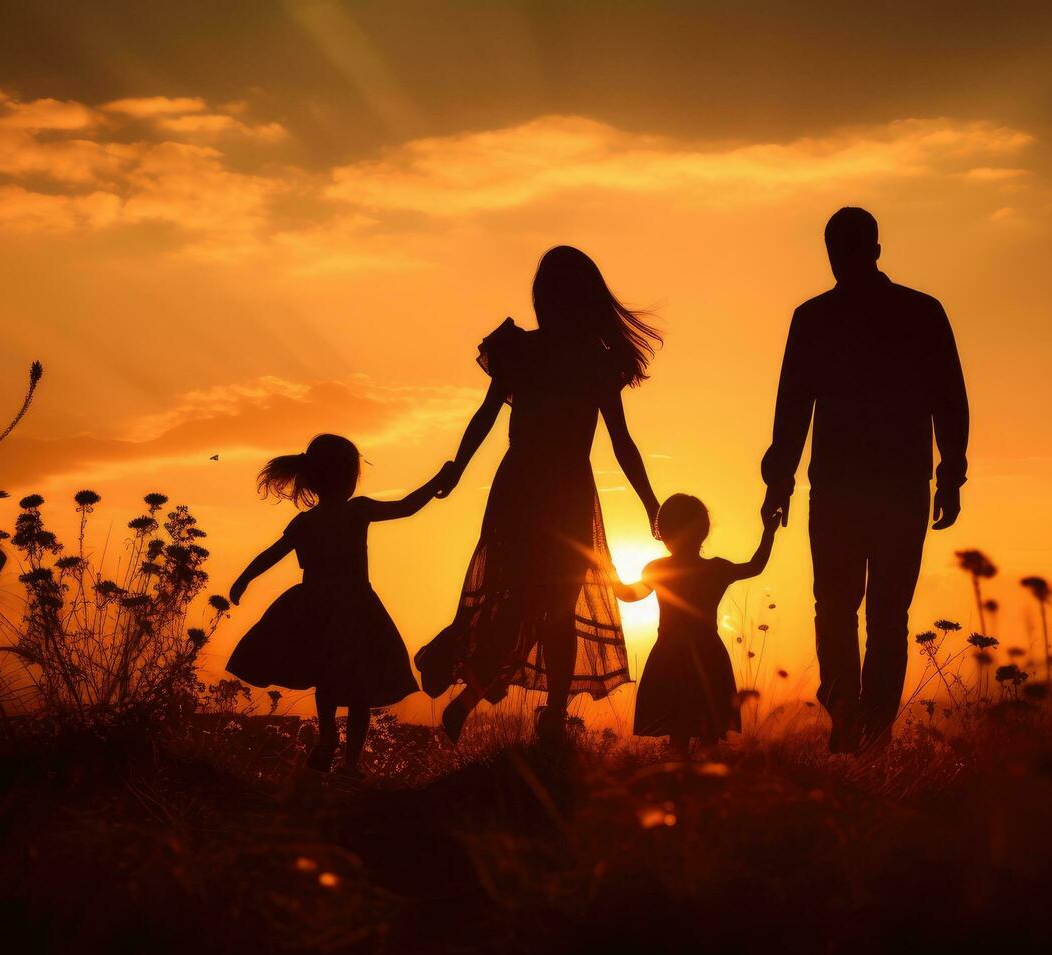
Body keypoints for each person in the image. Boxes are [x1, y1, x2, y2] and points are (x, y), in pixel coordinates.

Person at [418, 245, 662, 744]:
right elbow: (620, 443)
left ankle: (474, 684)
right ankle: (546, 712)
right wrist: (649, 501)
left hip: (524, 487)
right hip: (563, 492)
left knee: (518, 603)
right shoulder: (589, 361)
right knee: (555, 609)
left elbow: (486, 417)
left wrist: (458, 468)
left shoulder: (527, 351)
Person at [760, 207, 969, 753]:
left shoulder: (816, 318)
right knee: (878, 614)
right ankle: (865, 724)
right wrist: (950, 473)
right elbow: (951, 400)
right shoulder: (919, 312)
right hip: (889, 487)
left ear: (867, 250)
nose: (840, 261)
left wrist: (778, 482)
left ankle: (856, 720)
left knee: (841, 608)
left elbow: (790, 412)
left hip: (845, 490)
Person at [226, 434, 449, 775]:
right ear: (347, 477)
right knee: (359, 689)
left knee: (326, 680)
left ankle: (328, 737)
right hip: (355, 608)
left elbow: (271, 555)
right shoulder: (358, 510)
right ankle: (350, 763)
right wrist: (439, 481)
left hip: (313, 606)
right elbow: (405, 506)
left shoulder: (306, 522)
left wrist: (244, 579)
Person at [617, 494, 779, 755]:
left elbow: (627, 594)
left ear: (663, 531)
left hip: (669, 655)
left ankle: (679, 785)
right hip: (709, 656)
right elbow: (755, 566)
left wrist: (606, 569)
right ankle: (707, 787)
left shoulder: (657, 569)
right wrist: (768, 532)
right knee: (709, 734)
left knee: (677, 736)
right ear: (703, 530)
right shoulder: (716, 569)